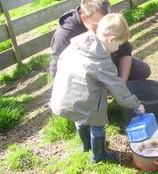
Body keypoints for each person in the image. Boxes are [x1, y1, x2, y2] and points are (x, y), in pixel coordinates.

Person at [50, 13, 145, 163]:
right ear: (112, 39)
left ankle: (86, 145)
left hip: (66, 96)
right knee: (97, 125)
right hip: (86, 100)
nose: (117, 49)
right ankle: (99, 155)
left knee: (80, 120)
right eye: (119, 45)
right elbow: (118, 88)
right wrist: (136, 105)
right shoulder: (101, 61)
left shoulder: (80, 42)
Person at [49, 0, 151, 83]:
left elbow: (125, 51)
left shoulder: (108, 22)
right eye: (97, 25)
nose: (103, 28)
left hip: (106, 61)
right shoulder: (65, 34)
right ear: (84, 18)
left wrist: (122, 82)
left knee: (142, 70)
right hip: (83, 73)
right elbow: (58, 70)